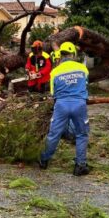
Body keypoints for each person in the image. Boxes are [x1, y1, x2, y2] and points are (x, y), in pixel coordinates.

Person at [39, 41, 90, 176]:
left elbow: (52, 93)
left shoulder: (55, 72)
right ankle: (80, 166)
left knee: (54, 134)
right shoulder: (82, 69)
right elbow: (86, 85)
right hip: (79, 104)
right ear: (73, 54)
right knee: (81, 135)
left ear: (61, 55)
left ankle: (44, 160)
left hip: (61, 105)